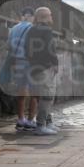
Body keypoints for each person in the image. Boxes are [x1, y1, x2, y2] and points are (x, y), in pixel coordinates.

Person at [26, 7, 59, 135]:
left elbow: (26, 48)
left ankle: (48, 122)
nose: (52, 18)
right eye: (50, 15)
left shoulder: (31, 30)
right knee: (47, 96)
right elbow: (50, 48)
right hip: (45, 67)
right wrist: (55, 63)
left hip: (33, 67)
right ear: (45, 17)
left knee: (42, 96)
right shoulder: (46, 30)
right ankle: (41, 125)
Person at [7, 7, 38, 131]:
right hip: (31, 63)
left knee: (21, 90)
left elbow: (9, 46)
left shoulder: (13, 29)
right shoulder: (33, 28)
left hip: (18, 62)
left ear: (22, 15)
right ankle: (30, 120)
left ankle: (20, 119)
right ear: (32, 16)